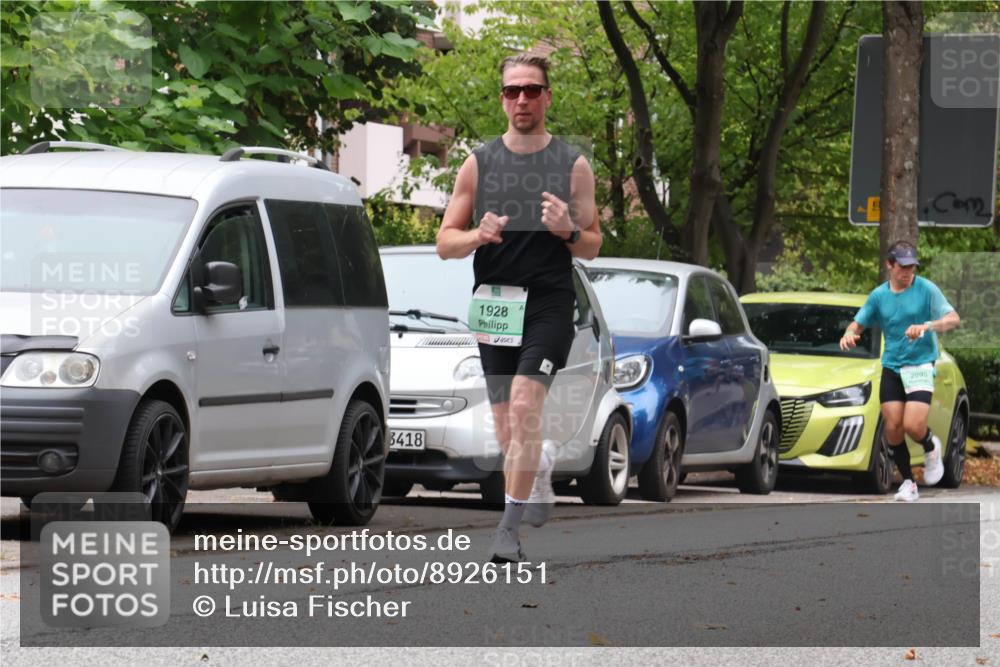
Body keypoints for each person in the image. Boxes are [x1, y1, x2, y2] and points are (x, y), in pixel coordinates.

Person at [436, 54, 601, 562]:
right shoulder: (478, 163)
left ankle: (507, 532)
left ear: (548, 96)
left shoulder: (572, 164)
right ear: (502, 98)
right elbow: (445, 242)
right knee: (509, 428)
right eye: (513, 91)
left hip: (549, 303)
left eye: (532, 90)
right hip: (493, 306)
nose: (522, 99)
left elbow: (592, 243)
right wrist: (476, 236)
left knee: (527, 408)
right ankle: (540, 463)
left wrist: (567, 231)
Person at [840, 240, 961, 501]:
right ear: (890, 265)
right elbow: (857, 324)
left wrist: (927, 326)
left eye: (912, 267)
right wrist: (849, 334)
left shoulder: (926, 289)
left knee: (913, 426)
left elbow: (953, 319)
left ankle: (930, 447)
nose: (908, 273)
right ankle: (908, 482)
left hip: (919, 364)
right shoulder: (879, 296)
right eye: (903, 267)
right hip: (892, 367)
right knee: (893, 427)